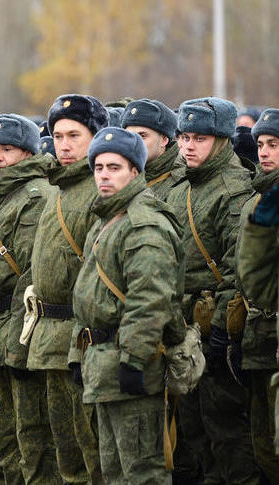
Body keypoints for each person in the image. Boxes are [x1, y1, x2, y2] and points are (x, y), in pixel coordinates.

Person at [70, 126, 185, 483]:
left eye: (115, 167)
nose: (104, 175)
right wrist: (78, 353)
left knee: (142, 472)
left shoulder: (142, 223)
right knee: (115, 471)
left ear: (136, 171)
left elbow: (150, 300)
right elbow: (87, 295)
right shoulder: (107, 220)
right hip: (102, 364)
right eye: (99, 167)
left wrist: (133, 361)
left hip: (130, 364)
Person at [166, 96, 259, 484]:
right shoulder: (180, 188)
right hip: (185, 330)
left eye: (199, 138)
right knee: (194, 432)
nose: (188, 146)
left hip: (217, 331)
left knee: (226, 434)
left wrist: (222, 330)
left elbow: (238, 270)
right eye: (184, 137)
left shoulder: (233, 191)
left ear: (221, 140)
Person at [0, 114, 58, 484]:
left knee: (31, 438)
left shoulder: (35, 197)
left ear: (28, 152)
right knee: (3, 439)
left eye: (7, 149)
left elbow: (30, 277)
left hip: (17, 331)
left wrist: (20, 345)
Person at [26, 94, 108, 484]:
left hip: (83, 340)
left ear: (97, 136)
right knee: (66, 450)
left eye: (74, 134)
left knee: (93, 450)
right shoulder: (57, 189)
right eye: (57, 135)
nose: (64, 144)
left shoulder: (101, 189)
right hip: (49, 339)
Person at [235, 107, 279, 483]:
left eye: (274, 144)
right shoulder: (258, 199)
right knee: (262, 443)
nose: (263, 152)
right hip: (258, 337)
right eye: (260, 144)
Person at [121, 99, 183, 202]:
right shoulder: (119, 176)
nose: (135, 142)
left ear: (164, 140)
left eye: (142, 136)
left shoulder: (181, 181)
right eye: (129, 136)